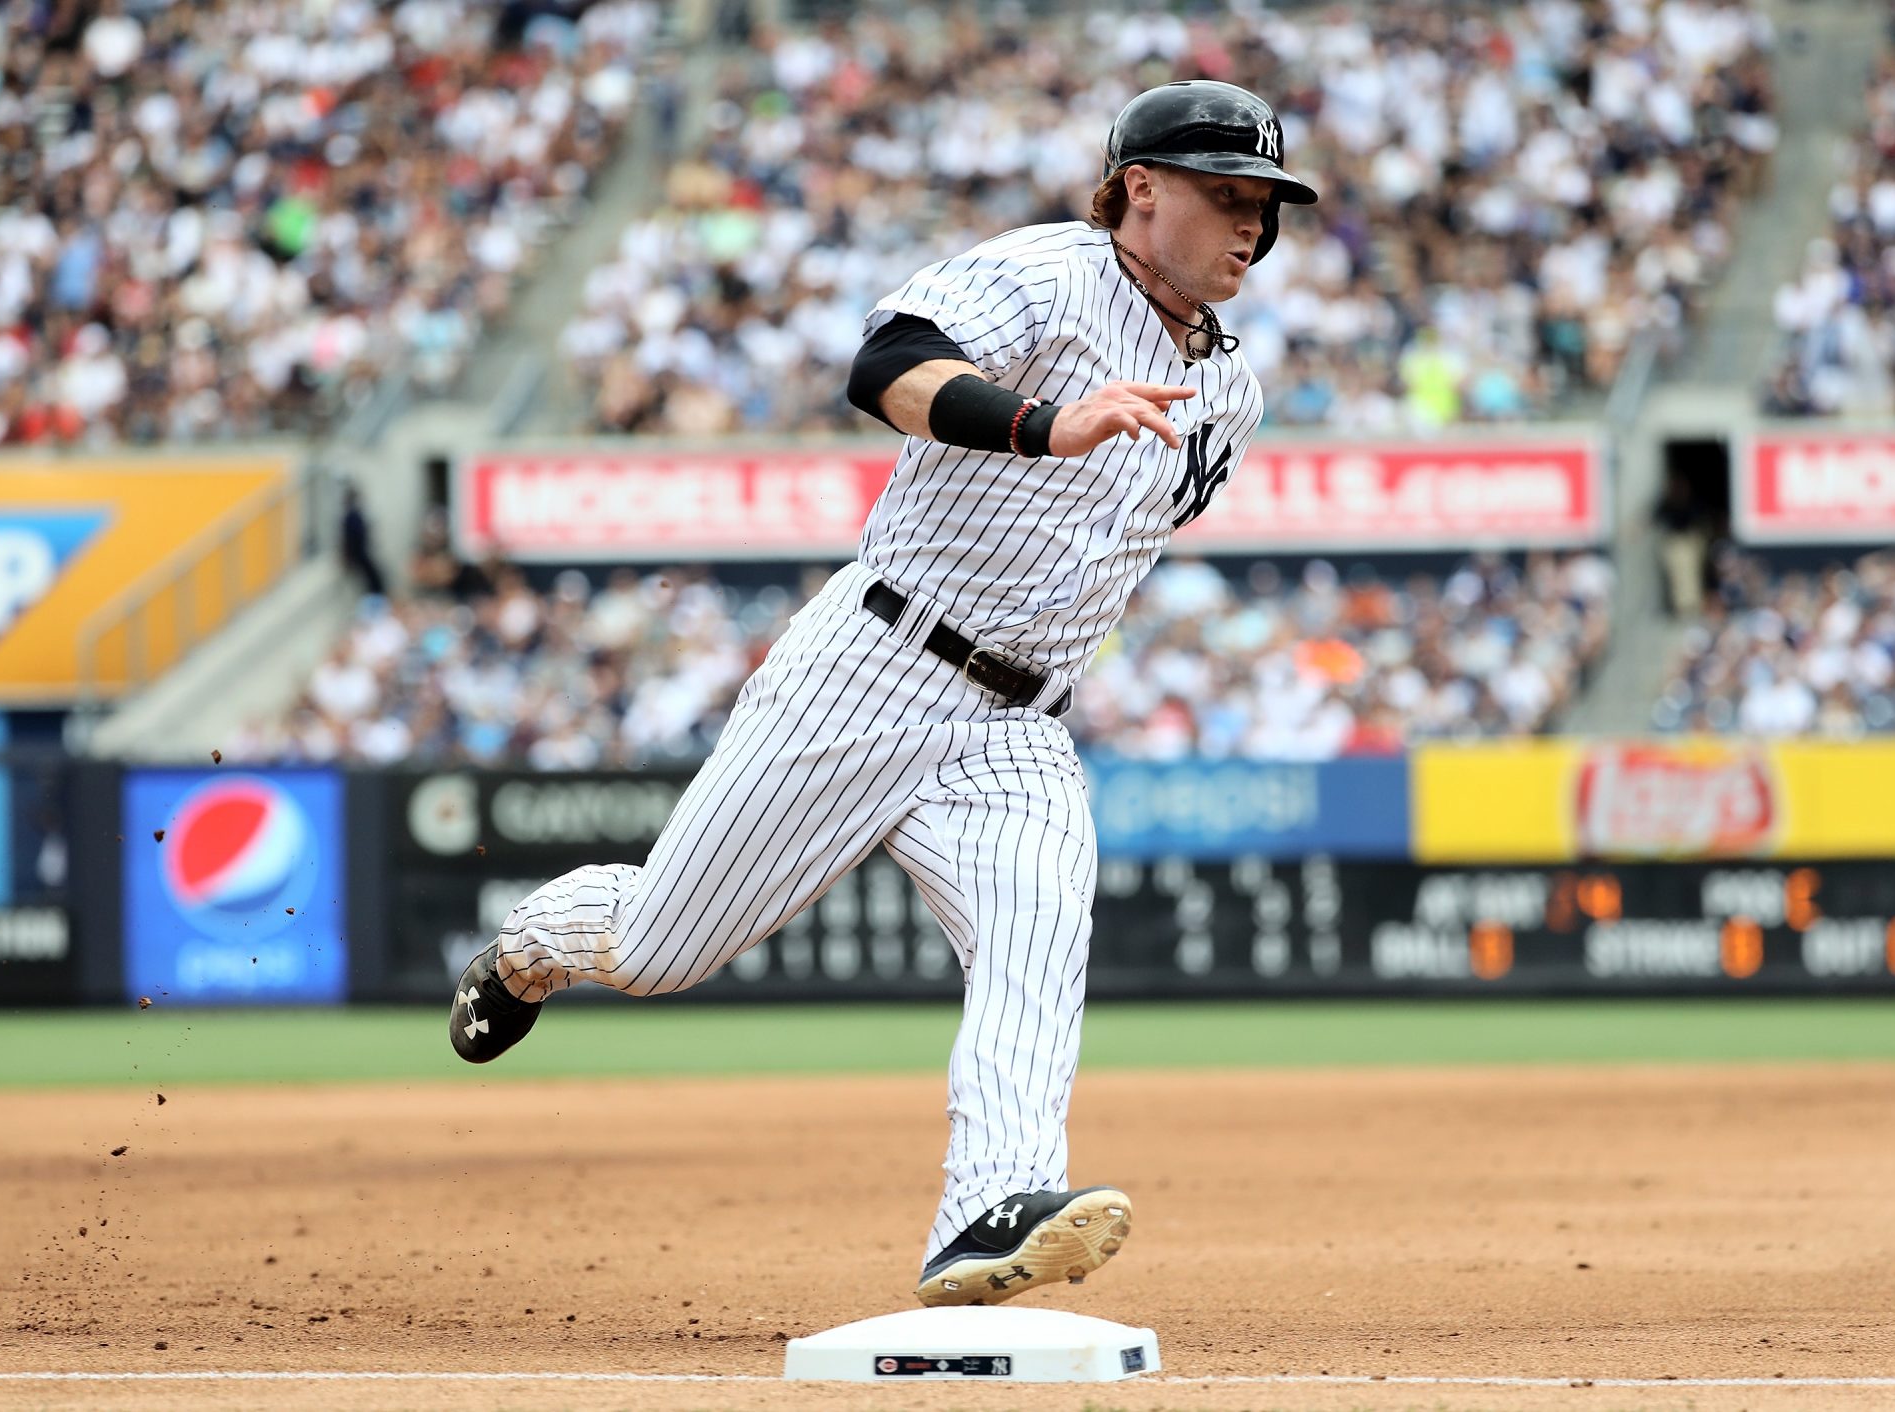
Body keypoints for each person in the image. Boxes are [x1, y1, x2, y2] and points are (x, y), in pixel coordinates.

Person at [446, 80, 1315, 1307]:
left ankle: (988, 1209)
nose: (1250, 225)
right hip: (870, 669)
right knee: (660, 946)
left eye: (1264, 205)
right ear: (1139, 188)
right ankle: (532, 947)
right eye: (1225, 196)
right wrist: (1041, 424)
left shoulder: (1230, 388)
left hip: (1014, 722)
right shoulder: (1049, 274)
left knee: (1036, 923)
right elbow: (887, 363)